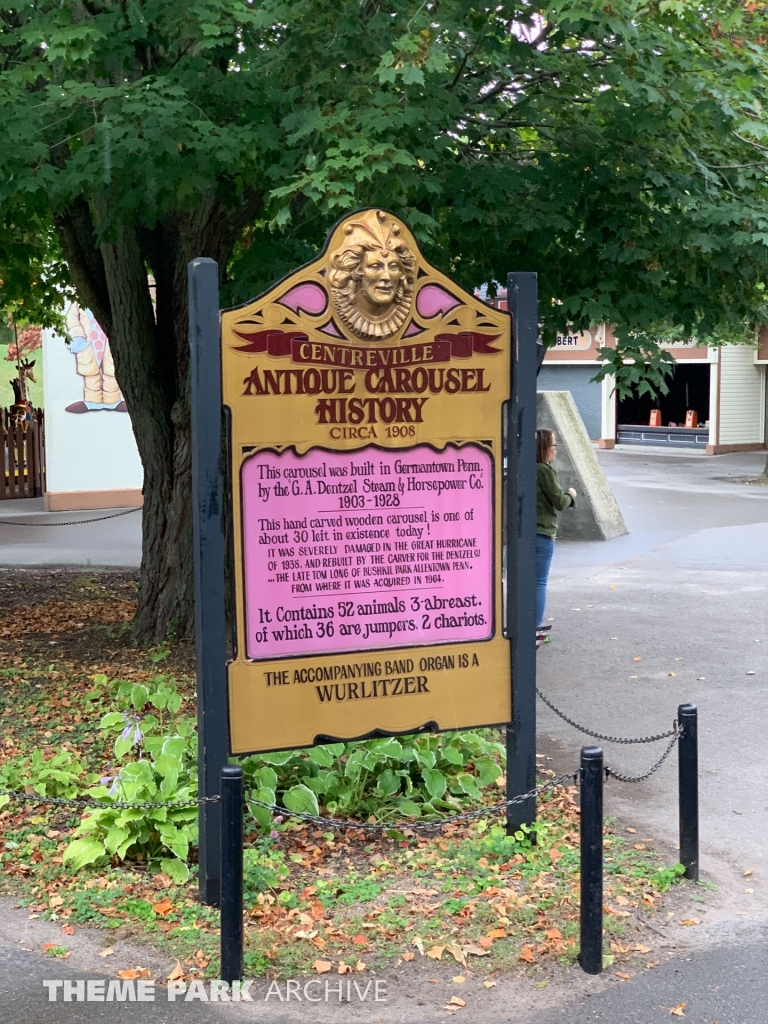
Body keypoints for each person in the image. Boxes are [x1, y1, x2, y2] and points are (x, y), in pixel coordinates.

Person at [536, 429, 576, 646]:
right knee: (539, 582)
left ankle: (522, 625)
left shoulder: (525, 467)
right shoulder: (545, 471)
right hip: (542, 531)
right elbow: (559, 502)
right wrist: (571, 495)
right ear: (544, 448)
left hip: (524, 533)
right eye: (554, 446)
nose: (556, 450)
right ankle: (535, 628)